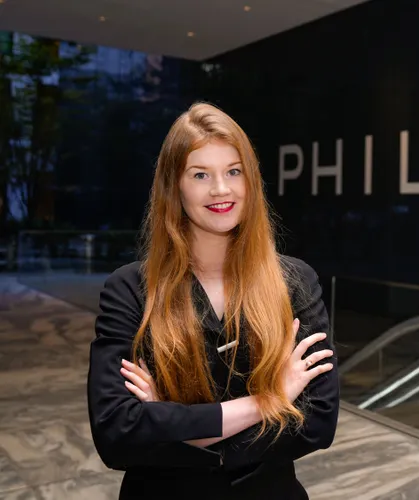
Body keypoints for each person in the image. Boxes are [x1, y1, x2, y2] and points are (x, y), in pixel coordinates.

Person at [86, 102, 339, 500]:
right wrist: (269, 401)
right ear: (174, 186)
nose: (221, 189)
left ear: (250, 180)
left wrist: (169, 422)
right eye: (200, 174)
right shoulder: (129, 289)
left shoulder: (295, 282)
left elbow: (318, 423)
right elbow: (116, 434)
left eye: (233, 171)